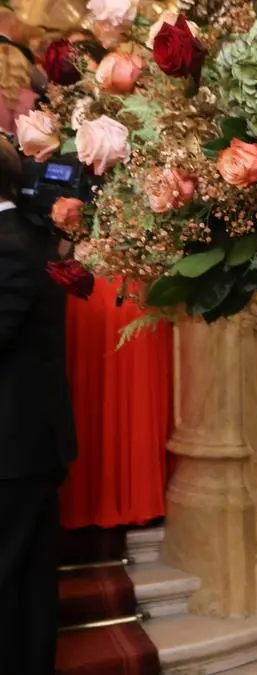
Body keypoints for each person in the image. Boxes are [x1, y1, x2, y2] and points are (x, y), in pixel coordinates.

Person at [0, 136, 75, 674]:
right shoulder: (26, 237)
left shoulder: (10, 245)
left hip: (14, 448)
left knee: (13, 580)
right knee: (27, 580)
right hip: (24, 444)